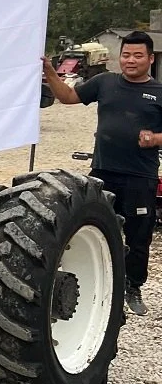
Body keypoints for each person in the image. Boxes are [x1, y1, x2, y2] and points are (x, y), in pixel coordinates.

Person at [42, 31, 162, 315]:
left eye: (137, 55)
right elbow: (69, 96)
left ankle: (131, 287)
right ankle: (93, 278)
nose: (130, 60)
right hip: (102, 173)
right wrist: (49, 72)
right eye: (126, 54)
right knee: (94, 227)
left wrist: (155, 139)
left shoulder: (159, 92)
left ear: (150, 58)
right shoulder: (104, 82)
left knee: (137, 236)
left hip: (139, 177)